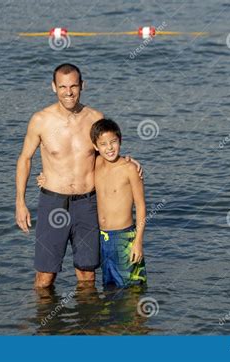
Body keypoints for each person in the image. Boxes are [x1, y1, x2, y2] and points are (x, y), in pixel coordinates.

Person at [15, 63, 141, 289]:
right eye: (63, 86)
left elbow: (107, 152)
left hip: (88, 203)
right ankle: (44, 323)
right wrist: (20, 202)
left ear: (83, 85)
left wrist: (128, 161)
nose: (69, 92)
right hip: (53, 201)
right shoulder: (41, 120)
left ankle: (86, 323)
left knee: (87, 275)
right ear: (53, 87)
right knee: (45, 277)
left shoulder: (95, 117)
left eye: (74, 86)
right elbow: (25, 158)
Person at [91, 119, 147, 287]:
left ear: (120, 141)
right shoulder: (96, 163)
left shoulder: (130, 169)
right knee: (109, 288)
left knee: (131, 288)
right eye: (103, 144)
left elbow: (141, 206)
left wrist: (138, 242)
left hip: (125, 237)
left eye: (113, 142)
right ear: (95, 147)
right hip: (103, 238)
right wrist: (45, 177)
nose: (109, 148)